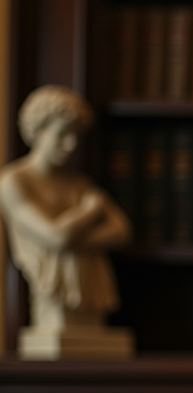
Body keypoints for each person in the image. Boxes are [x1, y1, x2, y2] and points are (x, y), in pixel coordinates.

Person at [0, 85, 132, 338]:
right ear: (38, 131)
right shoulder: (15, 181)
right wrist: (90, 213)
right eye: (61, 135)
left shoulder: (78, 183)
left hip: (89, 288)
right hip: (52, 294)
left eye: (76, 136)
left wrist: (74, 238)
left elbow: (121, 231)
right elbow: (55, 237)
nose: (70, 145)